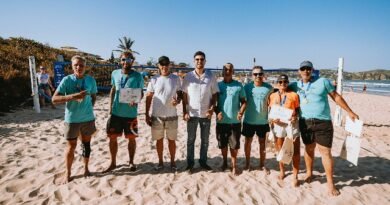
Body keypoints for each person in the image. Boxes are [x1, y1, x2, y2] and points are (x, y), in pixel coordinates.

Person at [289, 60, 359, 196]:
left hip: (323, 122)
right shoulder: (295, 85)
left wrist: (349, 111)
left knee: (325, 152)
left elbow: (336, 97)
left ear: (312, 70)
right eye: (303, 69)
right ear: (299, 71)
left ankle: (330, 183)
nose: (305, 71)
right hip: (305, 122)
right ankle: (309, 173)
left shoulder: (323, 81)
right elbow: (281, 91)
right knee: (309, 149)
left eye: (308, 68)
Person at [52, 55, 97, 184]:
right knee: (71, 146)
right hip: (71, 119)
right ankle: (68, 173)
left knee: (86, 145)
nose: (79, 67)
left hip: (88, 118)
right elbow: (54, 99)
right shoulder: (67, 80)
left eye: (81, 65)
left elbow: (93, 96)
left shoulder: (91, 80)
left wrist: (90, 107)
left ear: (85, 67)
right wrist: (72, 96)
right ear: (72, 66)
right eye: (76, 65)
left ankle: (86, 169)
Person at [104, 51, 144, 173]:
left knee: (131, 139)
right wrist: (110, 107)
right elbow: (113, 89)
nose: (125, 62)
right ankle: (113, 163)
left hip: (130, 114)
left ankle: (131, 162)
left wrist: (136, 99)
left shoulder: (138, 76)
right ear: (120, 61)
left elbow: (141, 93)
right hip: (116, 113)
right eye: (123, 60)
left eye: (128, 59)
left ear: (132, 61)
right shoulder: (115, 73)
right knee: (112, 138)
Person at [182, 51, 219, 173]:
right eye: (197, 59)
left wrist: (212, 108)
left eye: (201, 59)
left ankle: (203, 162)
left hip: (205, 114)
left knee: (205, 141)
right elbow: (184, 95)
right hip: (192, 114)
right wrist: (185, 112)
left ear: (205, 61)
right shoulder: (188, 76)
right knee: (190, 140)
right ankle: (190, 164)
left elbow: (215, 94)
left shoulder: (211, 76)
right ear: (194, 61)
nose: (199, 61)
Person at [145, 56, 182, 171]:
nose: (164, 66)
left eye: (166, 64)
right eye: (162, 64)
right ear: (158, 66)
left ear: (169, 65)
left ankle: (172, 162)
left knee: (171, 140)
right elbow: (149, 97)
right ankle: (160, 162)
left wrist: (178, 100)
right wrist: (146, 113)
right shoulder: (154, 79)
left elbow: (180, 93)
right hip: (157, 115)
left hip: (171, 115)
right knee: (159, 140)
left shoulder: (175, 79)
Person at [268, 74, 300, 187]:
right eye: (280, 82)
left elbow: (298, 110)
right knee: (280, 149)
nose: (283, 84)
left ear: (288, 83)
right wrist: (272, 119)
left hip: (291, 124)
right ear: (277, 83)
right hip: (278, 125)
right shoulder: (272, 96)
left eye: (285, 82)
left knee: (295, 149)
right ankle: (282, 171)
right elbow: (271, 111)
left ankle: (295, 175)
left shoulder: (294, 95)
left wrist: (295, 117)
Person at [215, 63, 246, 176]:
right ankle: (224, 162)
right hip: (221, 121)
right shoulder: (218, 86)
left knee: (234, 146)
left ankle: (233, 165)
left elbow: (244, 102)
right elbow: (213, 103)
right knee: (223, 145)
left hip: (235, 121)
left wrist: (241, 112)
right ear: (222, 71)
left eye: (229, 69)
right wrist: (217, 112)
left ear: (233, 71)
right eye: (225, 69)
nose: (227, 71)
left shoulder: (238, 86)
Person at [242, 66, 273, 173]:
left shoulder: (269, 88)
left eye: (260, 74)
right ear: (252, 76)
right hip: (248, 121)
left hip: (263, 121)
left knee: (262, 144)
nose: (258, 76)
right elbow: (242, 102)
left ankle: (262, 164)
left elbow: (274, 103)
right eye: (255, 74)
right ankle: (247, 164)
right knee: (247, 143)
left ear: (263, 75)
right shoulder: (246, 87)